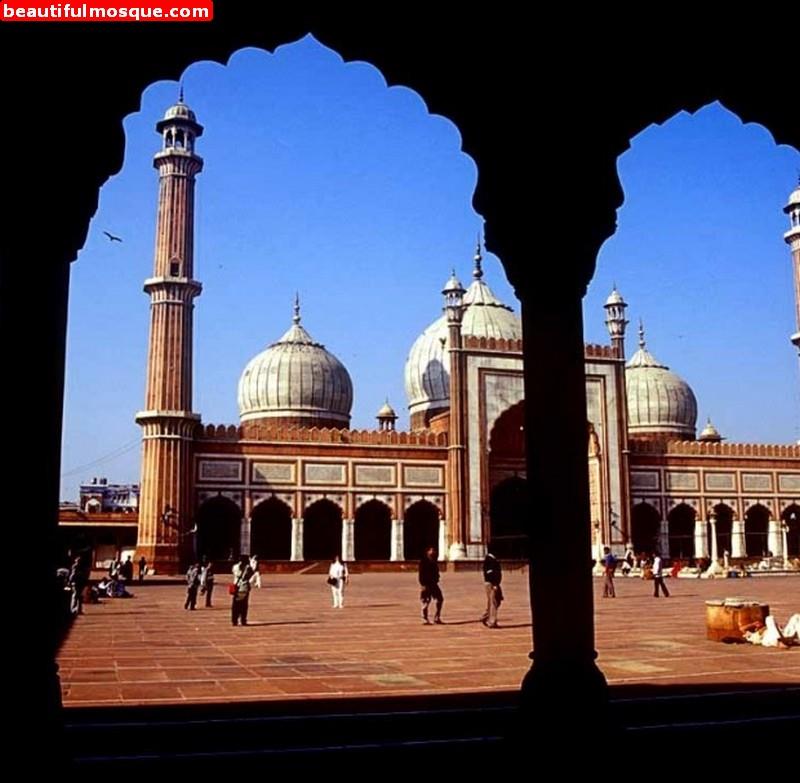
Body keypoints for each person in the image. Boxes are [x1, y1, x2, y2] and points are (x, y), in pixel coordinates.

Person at [418, 546, 444, 624]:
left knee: (440, 599)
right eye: (431, 550)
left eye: (434, 550)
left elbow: (436, 572)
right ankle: (424, 618)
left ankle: (437, 617)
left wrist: (437, 578)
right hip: (426, 584)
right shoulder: (424, 562)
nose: (433, 552)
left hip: (433, 584)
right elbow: (421, 574)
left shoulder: (433, 561)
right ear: (427, 552)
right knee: (426, 602)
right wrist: (423, 585)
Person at [480, 550, 503, 628]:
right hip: (492, 583)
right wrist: (494, 584)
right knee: (494, 602)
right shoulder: (489, 560)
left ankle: (485, 616)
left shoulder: (493, 559)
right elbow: (490, 573)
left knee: (497, 600)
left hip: (495, 583)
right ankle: (492, 622)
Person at [231, 555, 254, 626]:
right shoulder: (248, 568)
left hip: (236, 587)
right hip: (244, 587)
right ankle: (243, 620)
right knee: (243, 605)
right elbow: (251, 575)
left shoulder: (235, 567)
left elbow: (233, 573)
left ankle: (234, 620)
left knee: (235, 605)